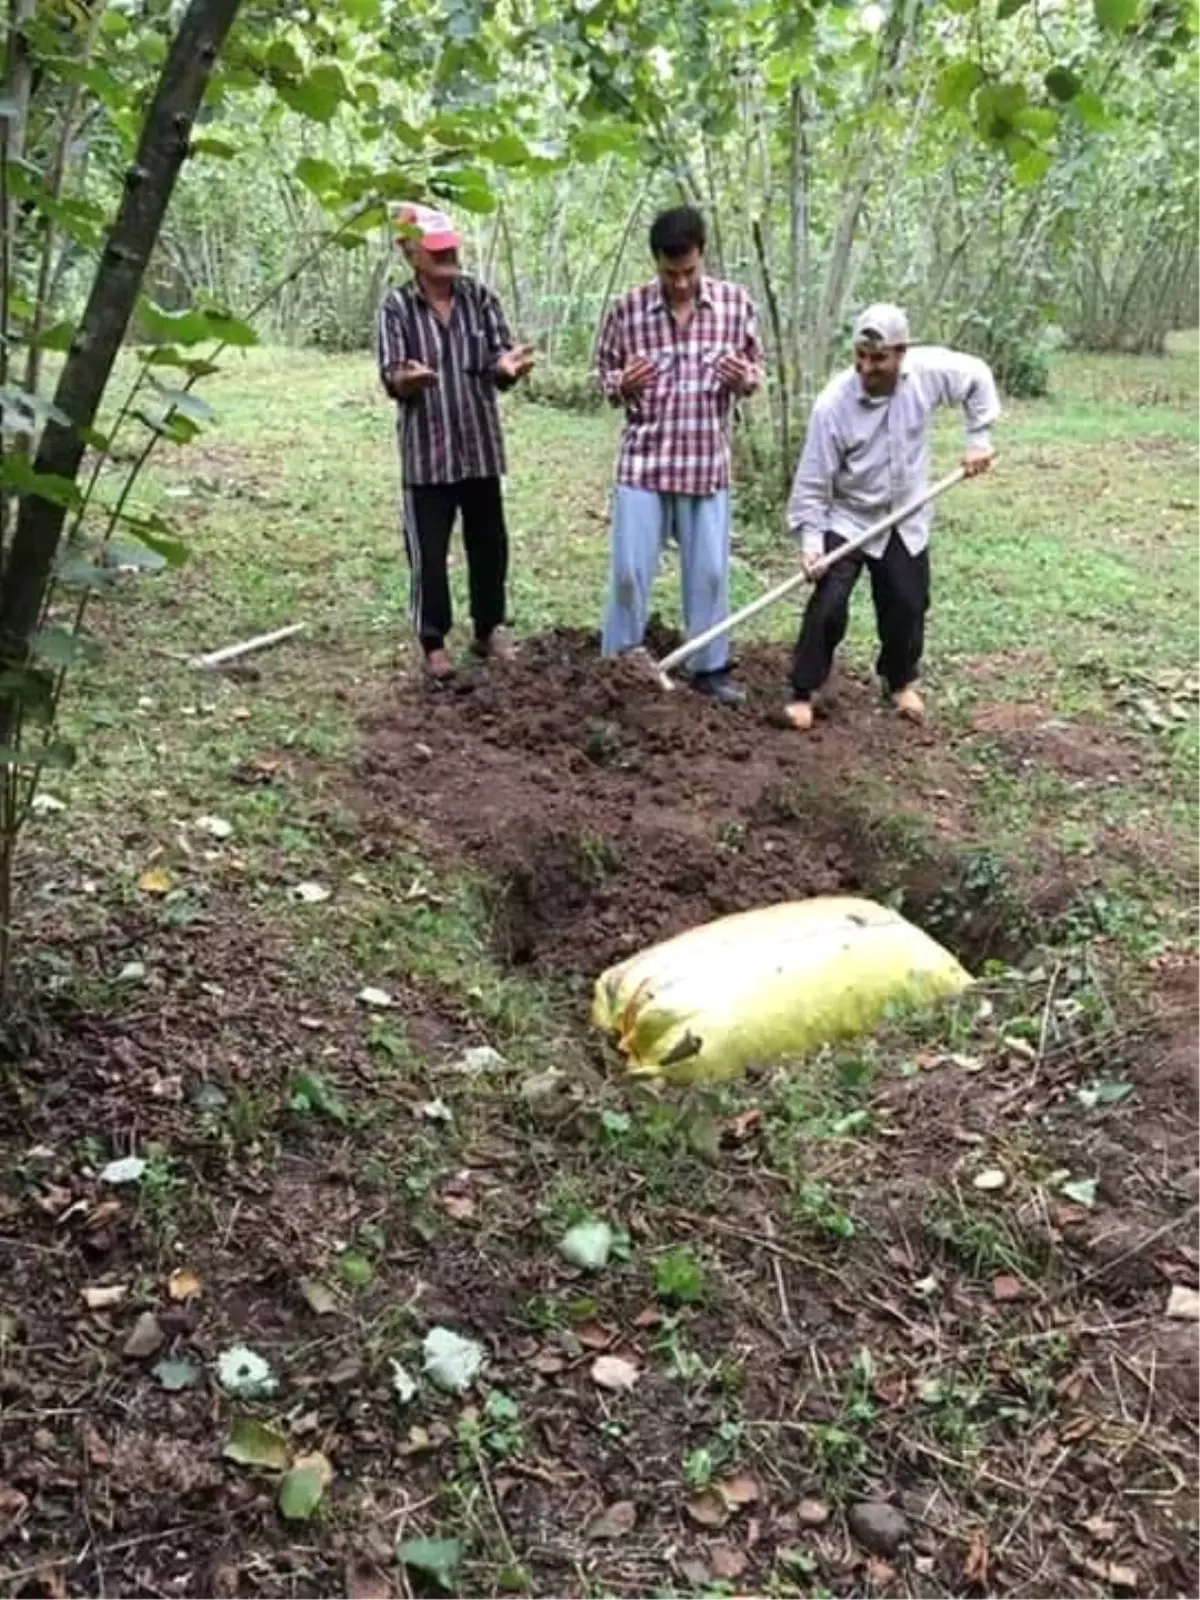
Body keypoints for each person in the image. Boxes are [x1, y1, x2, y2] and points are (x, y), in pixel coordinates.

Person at [784, 303, 999, 731]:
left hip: (906, 513)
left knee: (907, 603)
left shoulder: (930, 373)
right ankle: (803, 690)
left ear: (902, 353)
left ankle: (899, 680)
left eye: (879, 358)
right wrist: (812, 544)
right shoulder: (833, 406)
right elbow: (812, 482)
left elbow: (978, 377)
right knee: (828, 603)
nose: (867, 367)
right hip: (848, 518)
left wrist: (979, 439)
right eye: (860, 356)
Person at [595, 205, 764, 705]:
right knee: (628, 573)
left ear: (702, 255)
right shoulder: (628, 311)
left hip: (705, 462)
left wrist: (743, 380)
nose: (682, 284)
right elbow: (602, 375)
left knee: (710, 574)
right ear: (655, 264)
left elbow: (755, 371)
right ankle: (621, 663)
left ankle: (709, 668)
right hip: (643, 463)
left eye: (689, 271)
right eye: (671, 274)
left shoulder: (735, 306)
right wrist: (620, 384)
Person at [377, 202, 535, 682]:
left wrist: (506, 368)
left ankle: (489, 628)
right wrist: (408, 380)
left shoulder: (480, 299)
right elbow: (391, 374)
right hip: (428, 453)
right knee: (427, 548)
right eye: (437, 250)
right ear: (410, 252)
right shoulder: (397, 307)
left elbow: (499, 358)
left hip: (479, 446)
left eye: (452, 248)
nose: (449, 257)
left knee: (490, 542)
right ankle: (433, 640)